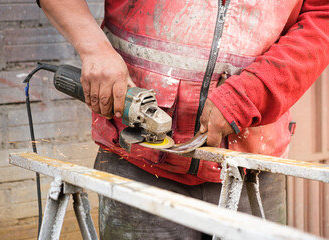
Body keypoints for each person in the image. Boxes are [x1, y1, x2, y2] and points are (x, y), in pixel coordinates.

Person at [38, 0, 329, 239]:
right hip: (139, 164)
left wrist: (249, 93)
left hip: (251, 167)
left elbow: (323, 15)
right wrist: (93, 48)